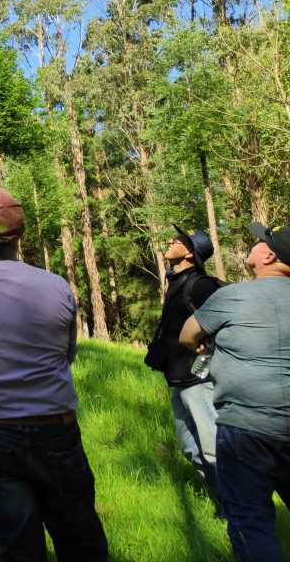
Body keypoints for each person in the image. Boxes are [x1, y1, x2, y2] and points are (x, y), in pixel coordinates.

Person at [0, 185, 108, 562]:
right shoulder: (58, 287)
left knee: (17, 544)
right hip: (56, 430)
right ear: (20, 235)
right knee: (81, 540)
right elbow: (68, 354)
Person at [181, 222, 290, 562]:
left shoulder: (232, 295)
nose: (255, 244)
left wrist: (209, 342)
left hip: (246, 428)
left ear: (269, 255)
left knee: (249, 520)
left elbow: (187, 336)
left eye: (260, 241)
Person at [150, 224, 223, 501]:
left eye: (179, 240)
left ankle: (235, 514)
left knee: (213, 450)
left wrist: (208, 353)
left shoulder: (201, 284)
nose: (170, 242)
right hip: (179, 380)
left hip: (199, 380)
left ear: (191, 254)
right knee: (189, 448)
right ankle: (223, 501)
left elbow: (224, 322)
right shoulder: (174, 282)